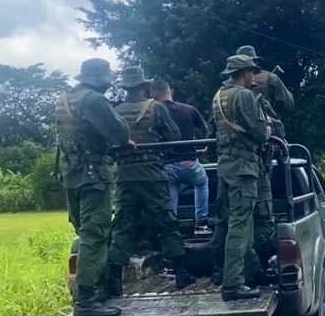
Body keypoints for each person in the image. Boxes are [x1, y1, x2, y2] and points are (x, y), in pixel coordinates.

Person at [105, 67, 195, 298]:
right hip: (152, 174)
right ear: (144, 86)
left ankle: (114, 280)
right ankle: (181, 273)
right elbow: (174, 136)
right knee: (166, 222)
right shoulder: (155, 108)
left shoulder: (114, 111)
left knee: (123, 226)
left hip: (124, 176)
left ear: (125, 87)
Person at [55, 58, 131, 316]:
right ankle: (87, 300)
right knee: (95, 235)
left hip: (72, 173)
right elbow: (120, 133)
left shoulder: (65, 99)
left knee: (85, 233)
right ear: (101, 81)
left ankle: (93, 291)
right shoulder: (94, 100)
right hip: (93, 174)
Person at [210, 54, 271, 301]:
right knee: (240, 225)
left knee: (237, 222)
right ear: (245, 73)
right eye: (252, 72)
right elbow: (259, 132)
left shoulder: (218, 96)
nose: (254, 76)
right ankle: (233, 284)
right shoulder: (244, 95)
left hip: (225, 165)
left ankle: (251, 271)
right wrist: (268, 127)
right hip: (244, 166)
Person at [151, 80, 211, 234]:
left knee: (171, 194)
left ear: (153, 95)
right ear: (170, 91)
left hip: (166, 165)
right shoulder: (189, 109)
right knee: (202, 182)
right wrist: (205, 146)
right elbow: (205, 129)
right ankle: (201, 223)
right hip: (189, 162)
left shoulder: (153, 112)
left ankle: (172, 228)